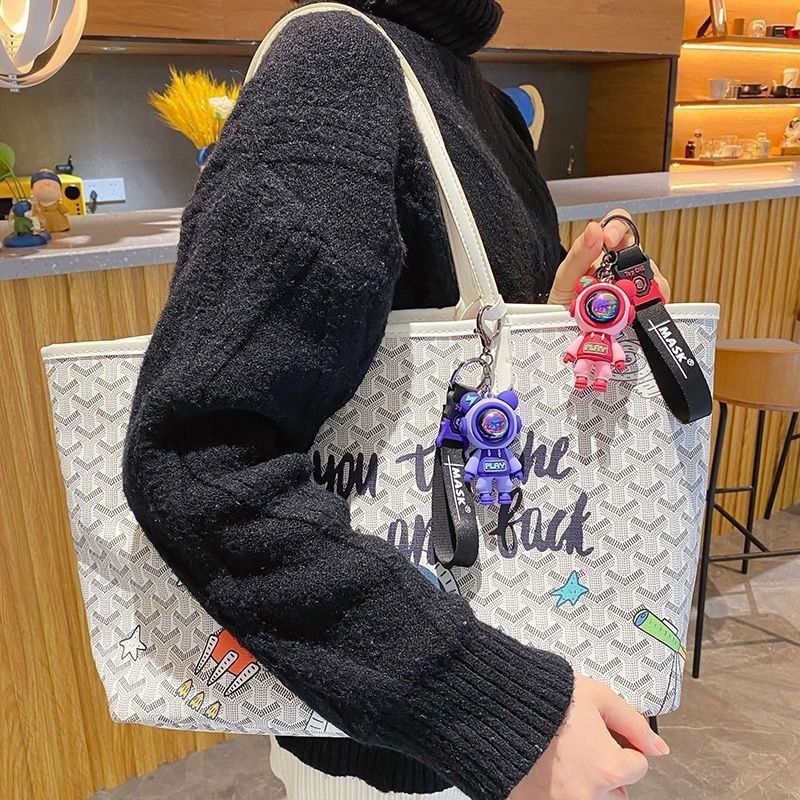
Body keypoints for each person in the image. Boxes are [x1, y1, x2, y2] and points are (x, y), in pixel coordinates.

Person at [121, 1, 671, 799]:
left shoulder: (476, 95)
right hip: (409, 749)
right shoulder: (334, 64)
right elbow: (198, 462)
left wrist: (556, 309)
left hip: (485, 710)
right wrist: (498, 711)